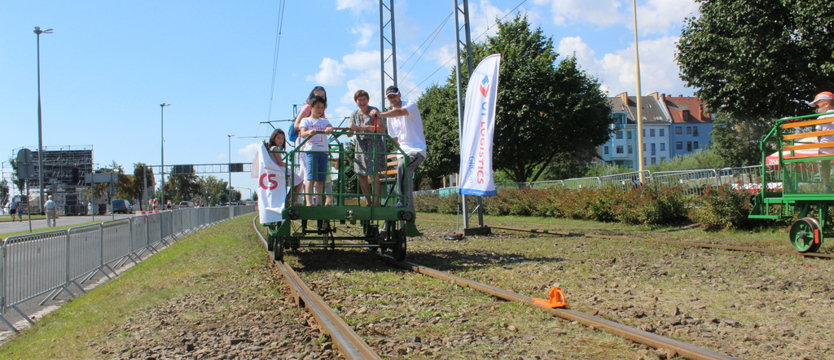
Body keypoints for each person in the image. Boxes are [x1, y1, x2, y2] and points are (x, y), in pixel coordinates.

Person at [378, 85, 427, 211]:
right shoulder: (390, 118)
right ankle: (406, 209)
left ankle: (404, 204)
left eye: (394, 96)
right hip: (402, 152)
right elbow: (394, 138)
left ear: (399, 95)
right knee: (403, 170)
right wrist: (400, 152)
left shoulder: (410, 105)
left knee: (403, 167)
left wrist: (380, 114)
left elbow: (400, 112)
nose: (392, 99)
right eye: (390, 97)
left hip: (417, 149)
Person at [349, 89, 387, 207]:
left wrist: (366, 127)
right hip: (360, 147)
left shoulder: (374, 111)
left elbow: (381, 129)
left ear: (368, 100)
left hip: (373, 145)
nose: (362, 102)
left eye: (364, 99)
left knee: (374, 174)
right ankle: (368, 202)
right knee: (361, 175)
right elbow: (349, 132)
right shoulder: (354, 114)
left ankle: (375, 203)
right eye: (359, 100)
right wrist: (351, 129)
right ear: (356, 101)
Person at [292, 86, 328, 204]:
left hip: (319, 146)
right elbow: (297, 125)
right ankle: (302, 199)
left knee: (309, 173)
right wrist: (309, 129)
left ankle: (304, 199)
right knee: (308, 172)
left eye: (323, 95)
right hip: (306, 142)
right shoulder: (308, 107)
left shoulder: (322, 114)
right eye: (318, 95)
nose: (320, 97)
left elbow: (328, 126)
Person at [299, 95, 333, 207]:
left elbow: (329, 127)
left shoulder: (324, 121)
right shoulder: (306, 120)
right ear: (311, 108)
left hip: (323, 151)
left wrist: (329, 129)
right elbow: (303, 133)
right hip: (312, 151)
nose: (320, 110)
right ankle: (309, 202)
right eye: (317, 107)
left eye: (322, 107)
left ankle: (319, 202)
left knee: (321, 178)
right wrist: (309, 132)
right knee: (311, 177)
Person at [812, 91, 834, 192]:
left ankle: (826, 185)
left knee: (824, 163)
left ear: (827, 104)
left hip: (825, 149)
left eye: (818, 106)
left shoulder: (821, 118)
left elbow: (819, 135)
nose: (817, 109)